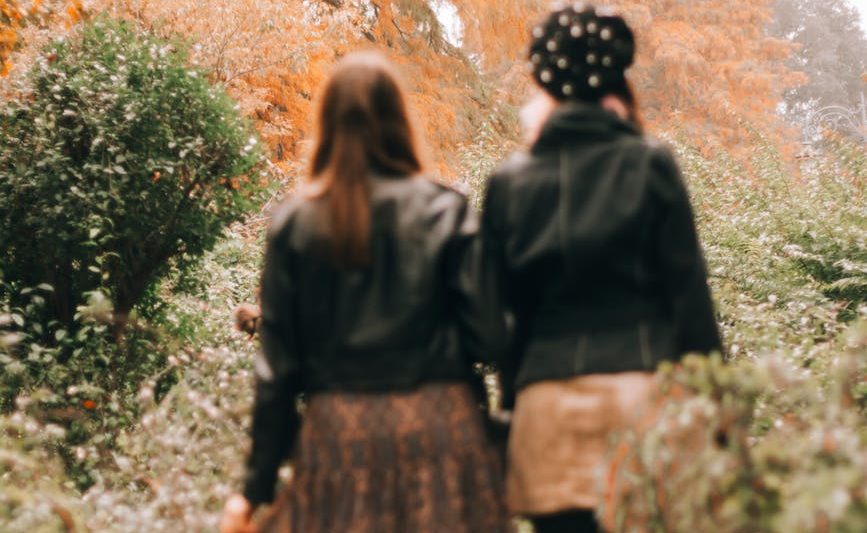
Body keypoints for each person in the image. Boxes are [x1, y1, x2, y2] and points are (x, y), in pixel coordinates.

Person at [220, 51, 509, 533]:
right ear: (400, 120)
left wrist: (255, 490)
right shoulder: (446, 210)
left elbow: (278, 372)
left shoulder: (294, 223)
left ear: (328, 123)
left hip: (338, 438)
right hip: (441, 430)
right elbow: (491, 335)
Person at [481, 5, 723, 533]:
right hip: (643, 397)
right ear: (616, 80)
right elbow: (689, 300)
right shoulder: (651, 163)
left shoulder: (508, 183)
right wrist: (716, 413)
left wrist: (514, 403)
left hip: (548, 409)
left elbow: (497, 320)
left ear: (544, 85)